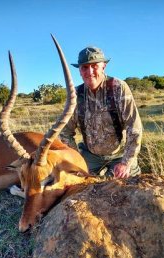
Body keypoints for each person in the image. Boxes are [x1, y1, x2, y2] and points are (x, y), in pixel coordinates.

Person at [60, 46, 142, 179]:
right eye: (84, 67)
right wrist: (76, 160)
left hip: (119, 154)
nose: (89, 71)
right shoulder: (75, 94)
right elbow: (65, 132)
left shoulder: (119, 88)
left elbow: (134, 128)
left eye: (94, 66)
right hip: (90, 155)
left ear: (103, 66)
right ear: (80, 71)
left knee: (127, 185)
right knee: (75, 182)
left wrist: (125, 163)